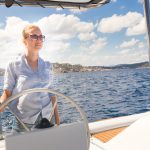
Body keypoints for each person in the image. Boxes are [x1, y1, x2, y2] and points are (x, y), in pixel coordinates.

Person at [0, 24, 60, 131]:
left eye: (41, 36)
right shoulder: (13, 65)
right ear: (24, 40)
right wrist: (1, 105)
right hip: (25, 121)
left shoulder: (47, 65)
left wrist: (57, 120)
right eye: (34, 36)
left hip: (47, 118)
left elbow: (52, 94)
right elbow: (7, 94)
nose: (39, 40)